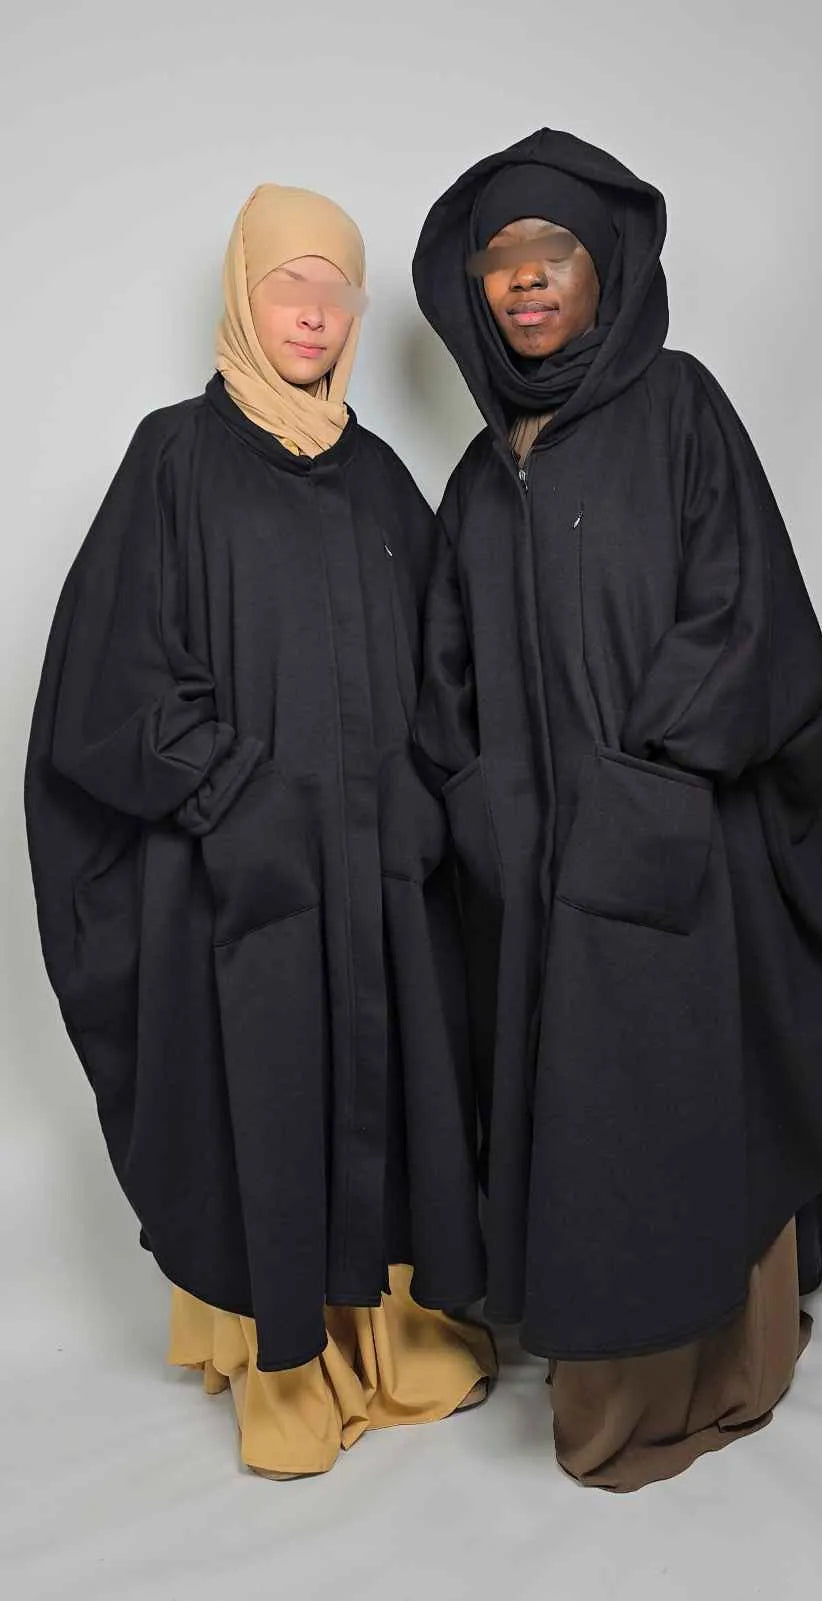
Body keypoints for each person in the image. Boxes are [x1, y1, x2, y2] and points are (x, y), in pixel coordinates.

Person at [411, 129, 822, 1490]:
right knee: (579, 1124)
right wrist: (484, 807)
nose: (522, 285)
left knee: (682, 1102)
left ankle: (713, 1367)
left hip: (674, 854)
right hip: (537, 879)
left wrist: (641, 780)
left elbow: (747, 620)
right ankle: (601, 1363)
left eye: (547, 254)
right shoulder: (474, 475)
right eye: (497, 264)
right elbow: (443, 681)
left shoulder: (681, 410)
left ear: (603, 268)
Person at [25, 183, 494, 1479]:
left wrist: (416, 801)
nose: (311, 311)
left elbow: (448, 671)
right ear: (242, 291)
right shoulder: (172, 459)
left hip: (378, 881)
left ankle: (391, 1338)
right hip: (242, 881)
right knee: (257, 1096)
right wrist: (232, 794)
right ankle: (276, 1365)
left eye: (333, 288)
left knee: (393, 1090)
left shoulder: (384, 479)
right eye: (288, 282)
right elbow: (108, 683)